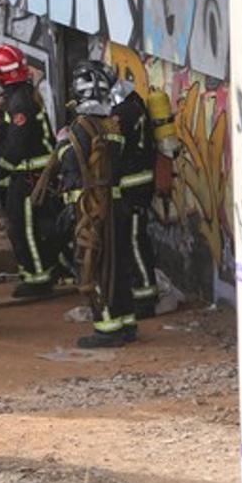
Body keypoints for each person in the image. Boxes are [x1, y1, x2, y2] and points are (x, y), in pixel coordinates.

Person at [36, 60, 138, 347]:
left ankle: (107, 329)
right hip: (115, 206)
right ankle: (126, 323)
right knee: (118, 266)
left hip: (92, 209)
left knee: (96, 266)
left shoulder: (82, 128)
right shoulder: (110, 125)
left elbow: (73, 168)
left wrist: (63, 144)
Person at [0, 43, 59, 298]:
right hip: (31, 175)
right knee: (31, 226)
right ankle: (38, 271)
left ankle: (38, 278)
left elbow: (16, 146)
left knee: (23, 226)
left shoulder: (20, 104)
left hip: (29, 177)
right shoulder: (22, 97)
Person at [111, 80, 161, 317]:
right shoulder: (136, 107)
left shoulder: (124, 114)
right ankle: (141, 292)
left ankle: (145, 298)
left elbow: (116, 150)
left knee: (133, 241)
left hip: (133, 187)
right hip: (138, 185)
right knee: (135, 240)